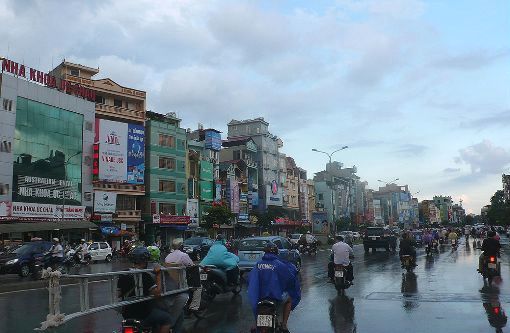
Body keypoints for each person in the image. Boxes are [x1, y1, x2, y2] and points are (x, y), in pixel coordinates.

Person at [247, 243, 301, 333]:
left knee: (256, 305)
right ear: (276, 252)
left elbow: (250, 279)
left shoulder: (257, 265)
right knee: (289, 300)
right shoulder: (280, 265)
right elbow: (290, 278)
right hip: (276, 297)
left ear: (264, 252)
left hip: (260, 298)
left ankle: (255, 323)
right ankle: (284, 324)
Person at [117, 247, 172, 333]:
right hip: (143, 315)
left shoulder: (123, 274)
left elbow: (118, 294)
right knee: (167, 319)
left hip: (126, 315)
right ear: (145, 261)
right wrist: (158, 275)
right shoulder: (145, 276)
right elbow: (157, 293)